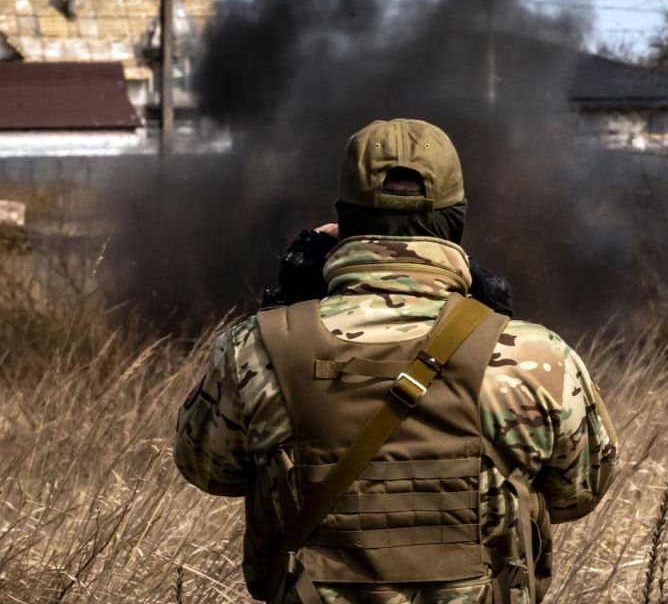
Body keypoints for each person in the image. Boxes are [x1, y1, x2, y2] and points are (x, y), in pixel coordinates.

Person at [175, 118, 618, 603]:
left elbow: (209, 469)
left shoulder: (253, 348)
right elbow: (579, 491)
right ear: (456, 218)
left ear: (343, 220)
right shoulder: (537, 356)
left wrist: (284, 313)